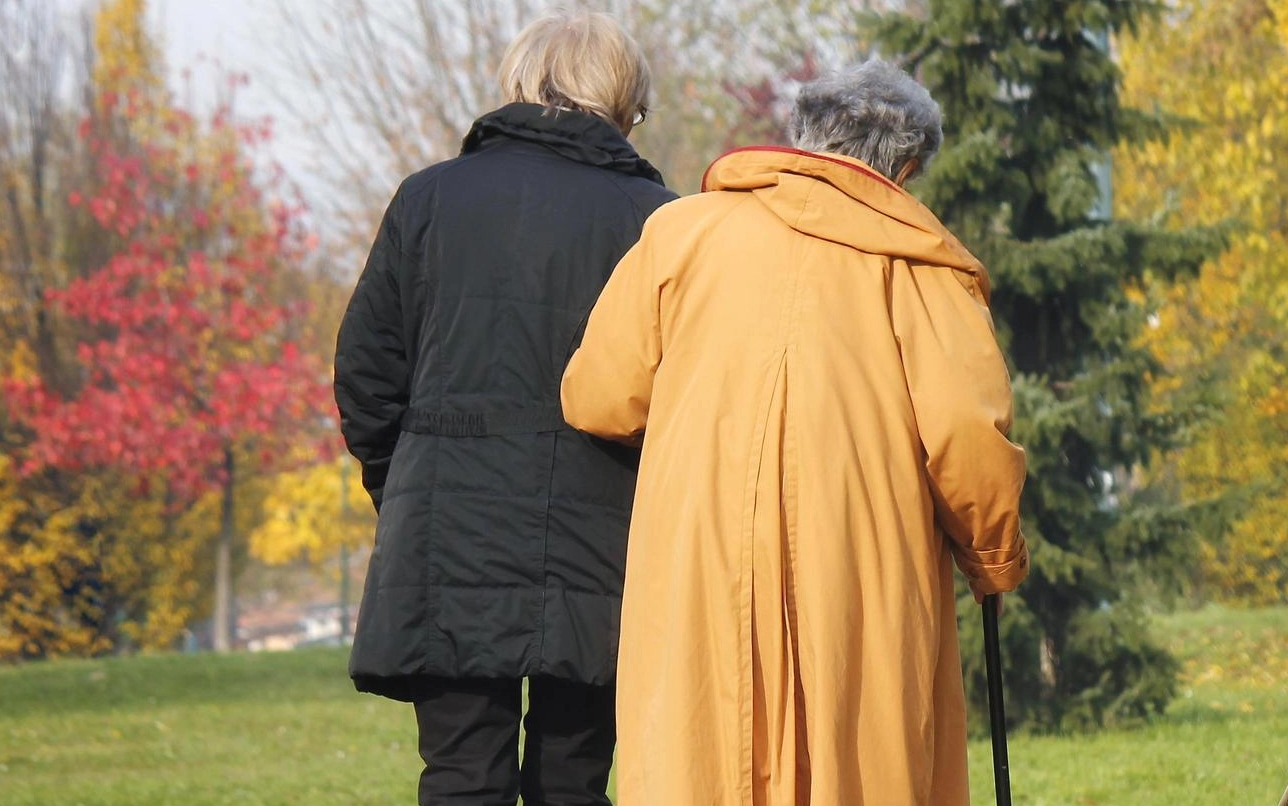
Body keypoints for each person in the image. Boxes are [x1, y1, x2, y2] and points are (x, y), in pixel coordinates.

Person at [561, 60, 1029, 805]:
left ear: (802, 137)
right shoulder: (924, 272)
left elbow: (598, 398)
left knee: (703, 753)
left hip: (700, 554)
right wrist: (994, 560)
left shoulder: (680, 234)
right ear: (904, 167)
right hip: (862, 564)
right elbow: (967, 442)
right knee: (858, 759)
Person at [333, 11, 675, 805]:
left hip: (445, 530)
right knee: (574, 776)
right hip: (604, 538)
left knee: (459, 776)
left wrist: (408, 485)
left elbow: (366, 372)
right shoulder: (659, 222)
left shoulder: (428, 200)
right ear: (624, 101)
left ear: (519, 83)